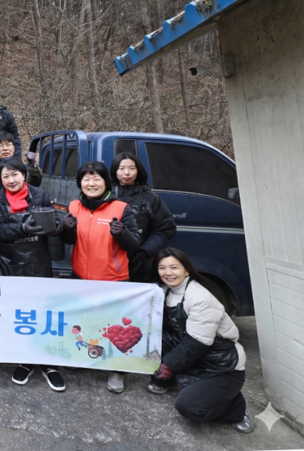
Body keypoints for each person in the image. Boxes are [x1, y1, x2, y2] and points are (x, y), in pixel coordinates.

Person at [150, 248, 253, 433]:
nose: (167, 273)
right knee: (153, 337)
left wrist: (168, 365)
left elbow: (196, 343)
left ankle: (237, 406)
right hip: (196, 356)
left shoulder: (200, 298)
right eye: (162, 267)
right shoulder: (166, 291)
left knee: (189, 407)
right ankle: (170, 381)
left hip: (220, 365)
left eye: (174, 267)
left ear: (186, 270)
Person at [60, 161, 140, 394]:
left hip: (112, 280)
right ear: (80, 183)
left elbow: (135, 244)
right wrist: (67, 229)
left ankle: (117, 370)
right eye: (86, 179)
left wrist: (122, 233)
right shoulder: (74, 206)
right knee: (83, 323)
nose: (91, 183)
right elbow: (68, 241)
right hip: (81, 277)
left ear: (106, 182)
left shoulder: (121, 208)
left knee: (116, 328)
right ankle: (81, 357)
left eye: (96, 178)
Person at [0, 157, 65, 391]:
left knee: (43, 311)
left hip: (38, 262)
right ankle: (24, 360)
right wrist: (21, 228)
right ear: (0, 179)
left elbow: (52, 219)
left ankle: (48, 363)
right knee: (19, 313)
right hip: (10, 263)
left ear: (23, 174)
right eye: (5, 176)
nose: (11, 180)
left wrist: (58, 225)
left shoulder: (39, 195)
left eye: (15, 174)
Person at [110, 152, 177, 282]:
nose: (127, 173)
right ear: (114, 171)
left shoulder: (150, 198)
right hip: (109, 261)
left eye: (131, 168)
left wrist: (145, 252)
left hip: (139, 264)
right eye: (121, 168)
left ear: (138, 171)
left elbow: (166, 228)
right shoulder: (106, 196)